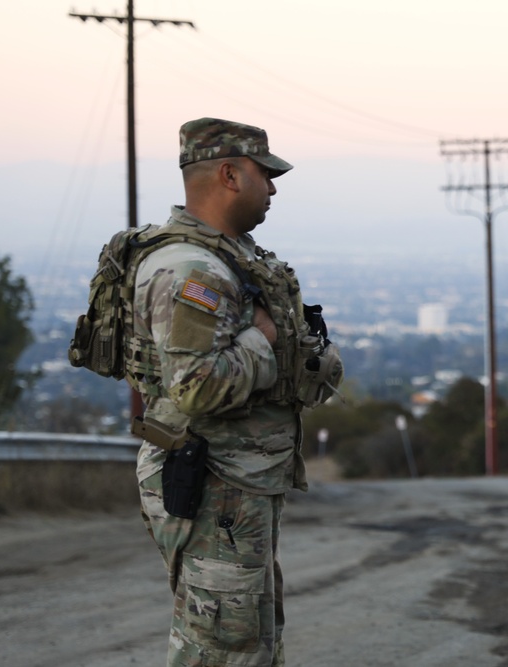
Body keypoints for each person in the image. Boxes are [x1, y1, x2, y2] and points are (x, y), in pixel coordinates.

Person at [132, 117, 341, 666]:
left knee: (250, 640)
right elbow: (196, 388)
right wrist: (264, 338)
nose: (272, 187)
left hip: (239, 482)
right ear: (229, 174)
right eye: (263, 174)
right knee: (219, 648)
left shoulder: (234, 257)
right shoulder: (189, 270)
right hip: (213, 480)